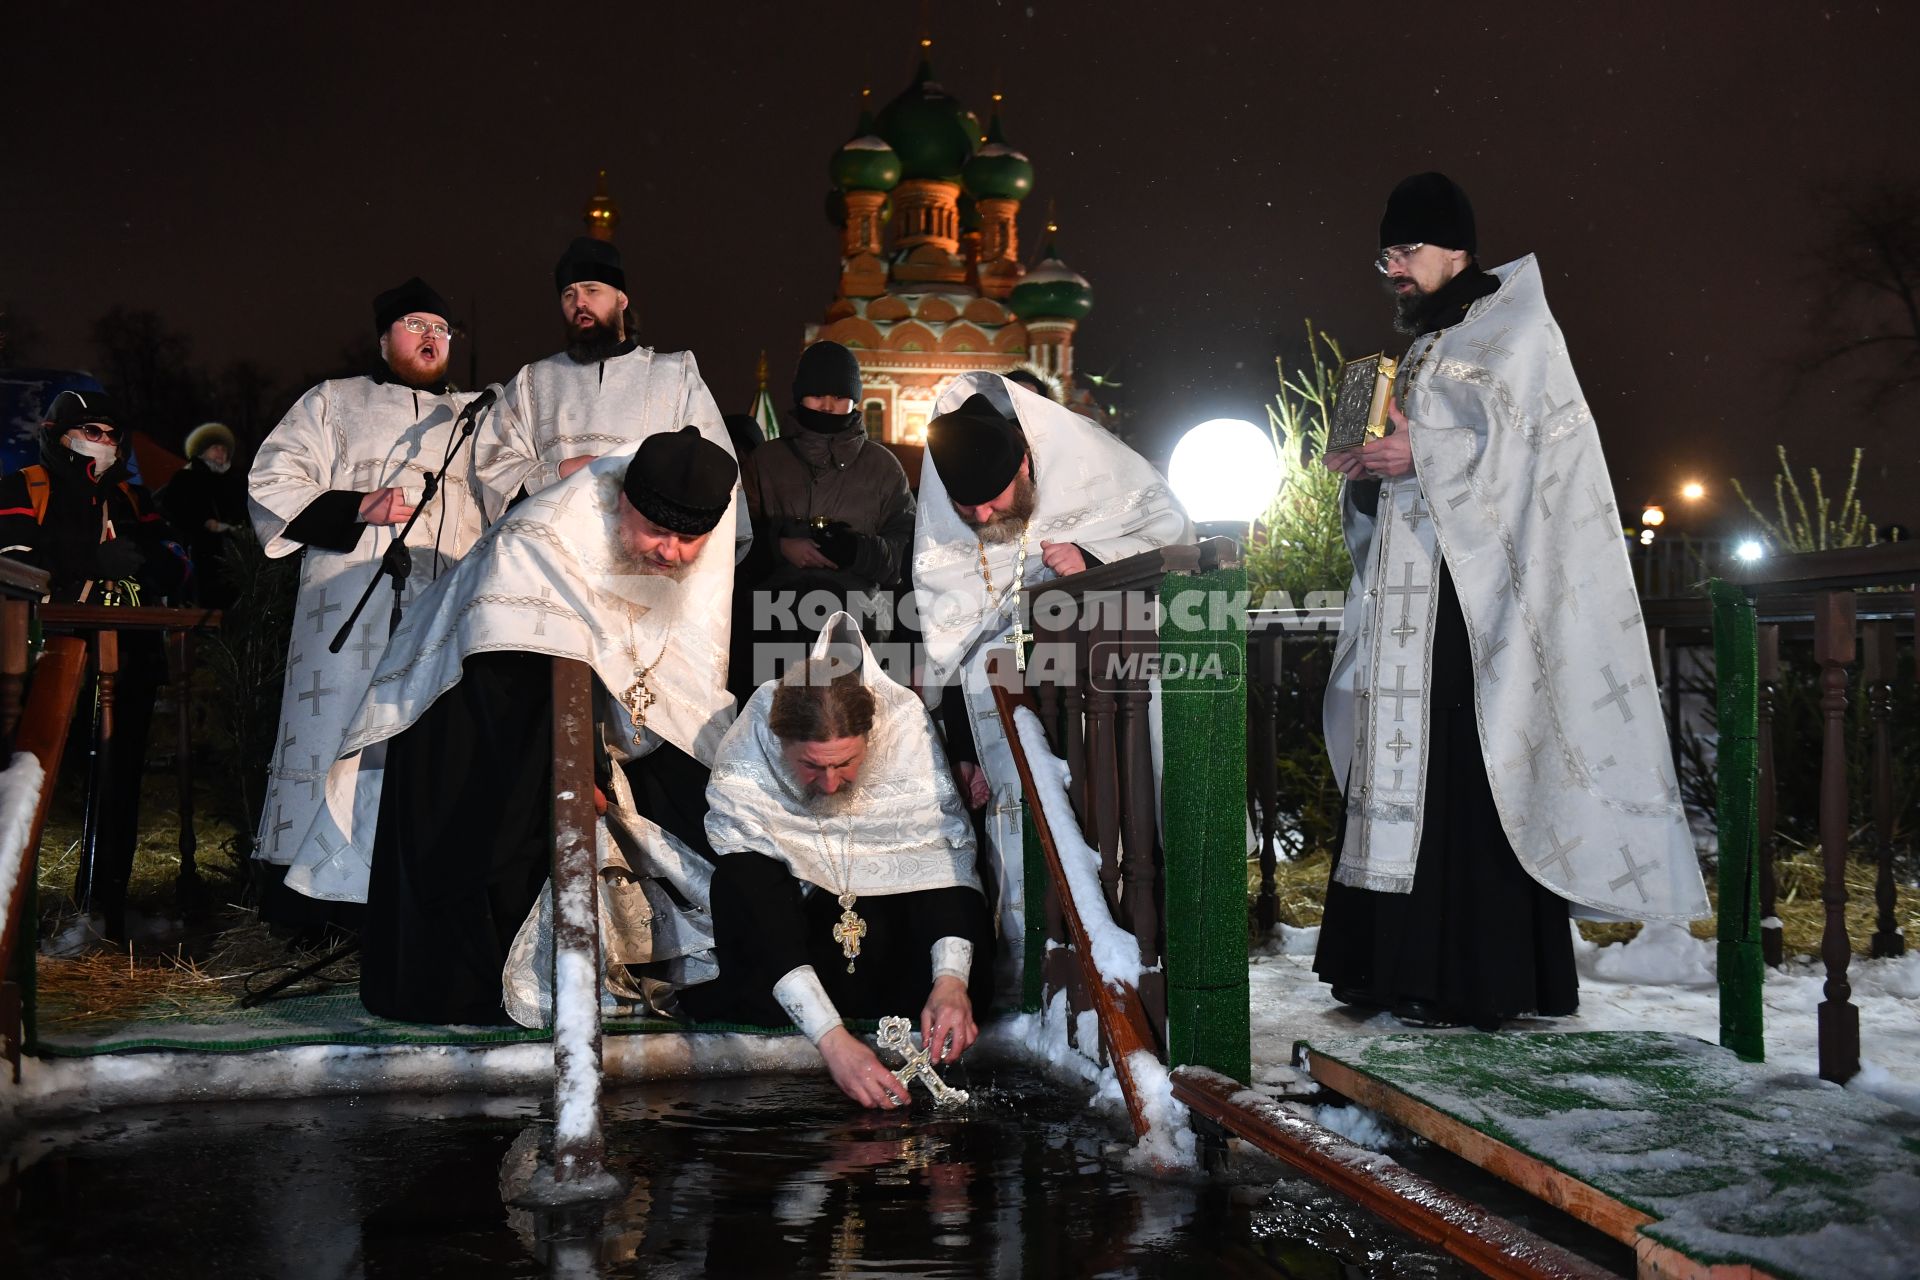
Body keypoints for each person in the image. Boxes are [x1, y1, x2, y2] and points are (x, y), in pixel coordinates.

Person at [1314, 172, 1709, 1029]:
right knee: (1408, 764)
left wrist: (1425, 456)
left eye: (1407, 250)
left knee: (1471, 766)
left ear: (1457, 248)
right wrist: (1367, 471)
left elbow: (1534, 460)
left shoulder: (1518, 329)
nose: (1393, 267)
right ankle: (1386, 965)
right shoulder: (1422, 345)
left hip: (1481, 604)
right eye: (1385, 253)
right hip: (1410, 598)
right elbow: (1416, 459)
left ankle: (1475, 977)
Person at [283, 428, 740, 1026]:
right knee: (505, 823)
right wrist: (575, 771)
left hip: (583, 711)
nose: (672, 553)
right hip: (476, 704)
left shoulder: (686, 545)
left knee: (701, 790)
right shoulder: (539, 539)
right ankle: (495, 991)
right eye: (658, 532)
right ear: (624, 500)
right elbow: (511, 674)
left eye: (690, 540)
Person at [913, 373, 1192, 966]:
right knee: (1022, 840)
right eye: (969, 508)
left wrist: (1092, 560)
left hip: (1109, 696)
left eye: (994, 498)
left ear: (1024, 464)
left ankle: (1140, 960)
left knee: (1120, 823)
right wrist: (964, 750)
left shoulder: (1096, 468)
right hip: (1013, 718)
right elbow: (952, 644)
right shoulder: (951, 526)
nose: (985, 515)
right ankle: (1032, 970)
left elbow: (1174, 539)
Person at [683, 613, 991, 1110]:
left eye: (846, 763)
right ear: (779, 743)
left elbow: (943, 860)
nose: (829, 784)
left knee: (941, 870)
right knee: (742, 877)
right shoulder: (754, 743)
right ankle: (824, 1025)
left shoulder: (903, 727)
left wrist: (952, 983)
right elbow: (753, 898)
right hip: (796, 952)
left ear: (873, 741)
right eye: (811, 766)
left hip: (890, 960)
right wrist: (833, 1041)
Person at [248, 278, 489, 891]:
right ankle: (318, 893)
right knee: (338, 738)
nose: (432, 338)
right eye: (417, 325)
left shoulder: (477, 418)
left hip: (440, 606)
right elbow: (271, 481)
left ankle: (412, 890)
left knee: (427, 740)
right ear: (384, 340)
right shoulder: (334, 401)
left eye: (442, 329)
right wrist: (357, 506)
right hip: (347, 605)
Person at [0, 390, 188, 943]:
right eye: (89, 430)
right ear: (60, 435)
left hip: (128, 657)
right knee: (31, 782)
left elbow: (178, 564)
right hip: (45, 663)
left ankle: (103, 907)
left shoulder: (132, 499)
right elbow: (11, 564)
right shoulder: (25, 487)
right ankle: (17, 913)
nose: (102, 442)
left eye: (110, 434)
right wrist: (87, 564)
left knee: (117, 781)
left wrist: (151, 559)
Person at [469, 236, 746, 559]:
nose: (579, 303)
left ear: (622, 299)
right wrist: (559, 471)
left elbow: (714, 470)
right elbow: (492, 465)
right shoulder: (533, 381)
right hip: (556, 558)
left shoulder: (676, 374)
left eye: (592, 290)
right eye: (568, 294)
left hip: (650, 560)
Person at [738, 341, 915, 673]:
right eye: (818, 394)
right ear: (800, 394)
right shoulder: (767, 461)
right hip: (775, 625)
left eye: (838, 397)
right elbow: (734, 540)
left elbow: (908, 552)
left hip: (859, 627)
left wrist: (858, 551)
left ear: (854, 398)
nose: (828, 406)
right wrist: (780, 547)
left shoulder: (882, 467)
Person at [157, 420, 246, 607]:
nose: (221, 452)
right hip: (199, 551)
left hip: (235, 550)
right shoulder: (186, 478)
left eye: (224, 449)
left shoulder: (234, 480)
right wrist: (203, 522)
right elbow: (174, 509)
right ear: (202, 450)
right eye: (215, 448)